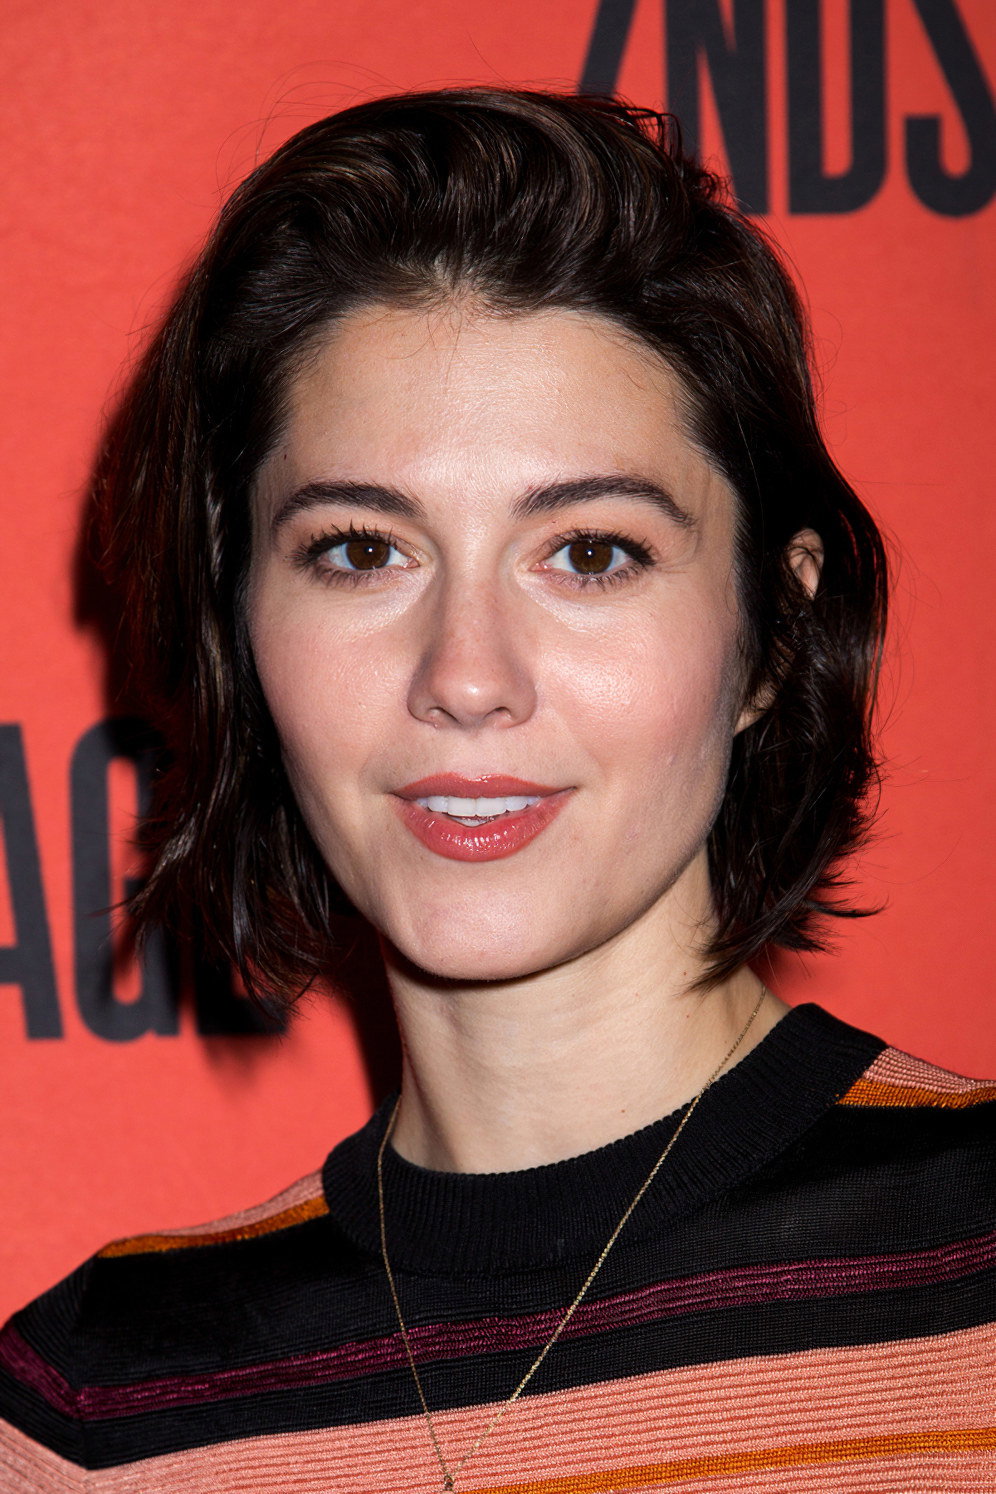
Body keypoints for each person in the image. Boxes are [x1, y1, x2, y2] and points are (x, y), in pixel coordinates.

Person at [0, 88, 992, 1493]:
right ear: (240, 632)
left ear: (773, 633)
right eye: (361, 551)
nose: (466, 677)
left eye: (590, 554)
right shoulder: (92, 1416)